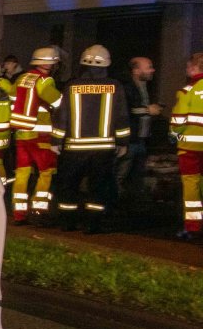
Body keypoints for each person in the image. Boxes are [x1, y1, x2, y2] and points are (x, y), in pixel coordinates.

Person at [50, 45, 131, 234]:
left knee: (69, 185)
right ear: (106, 64)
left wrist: (55, 141)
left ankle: (68, 223)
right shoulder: (115, 86)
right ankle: (93, 224)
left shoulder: (72, 86)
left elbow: (62, 116)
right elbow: (121, 117)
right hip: (103, 149)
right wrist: (123, 142)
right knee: (99, 187)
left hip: (74, 148)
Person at [10, 46, 63, 223]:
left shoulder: (22, 78)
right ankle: (39, 211)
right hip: (40, 134)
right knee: (46, 172)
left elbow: (12, 99)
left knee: (22, 173)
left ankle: (19, 213)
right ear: (49, 64)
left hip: (21, 133)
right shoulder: (45, 81)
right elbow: (58, 103)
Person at [169, 52, 203, 240]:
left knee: (191, 186)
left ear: (194, 68)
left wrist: (173, 135)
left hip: (190, 147)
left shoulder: (187, 91)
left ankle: (193, 226)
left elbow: (178, 120)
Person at [119, 56, 160, 203]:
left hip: (140, 140)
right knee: (121, 175)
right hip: (131, 141)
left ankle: (132, 206)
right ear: (136, 71)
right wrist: (147, 110)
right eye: (148, 66)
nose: (152, 70)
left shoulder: (142, 87)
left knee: (136, 175)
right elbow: (125, 111)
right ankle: (115, 206)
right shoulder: (127, 87)